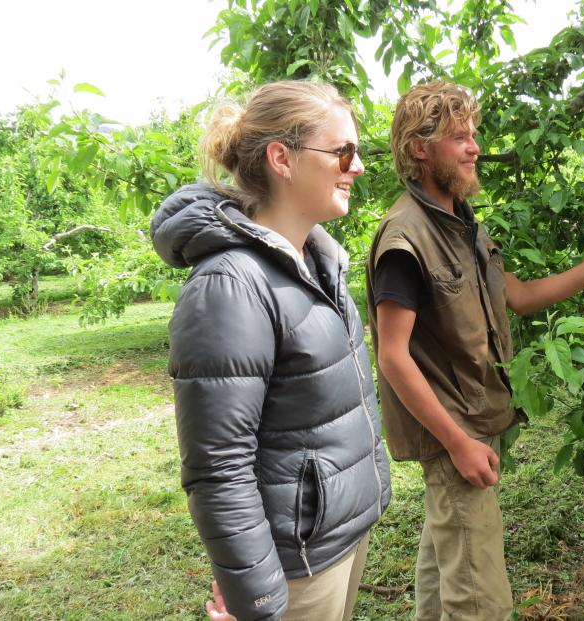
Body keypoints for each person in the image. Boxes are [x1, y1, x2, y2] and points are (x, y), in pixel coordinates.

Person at [365, 80, 584, 621]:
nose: (474, 148)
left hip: (472, 427)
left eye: (475, 135)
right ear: (421, 148)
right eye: (459, 137)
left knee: (444, 583)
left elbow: (518, 296)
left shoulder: (463, 225)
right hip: (454, 435)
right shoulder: (405, 239)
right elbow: (392, 357)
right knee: (480, 602)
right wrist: (460, 444)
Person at [150, 80, 391, 621]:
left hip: (340, 538)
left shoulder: (318, 259)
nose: (357, 167)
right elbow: (219, 466)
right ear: (282, 158)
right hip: (296, 566)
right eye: (342, 152)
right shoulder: (231, 285)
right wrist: (257, 600)